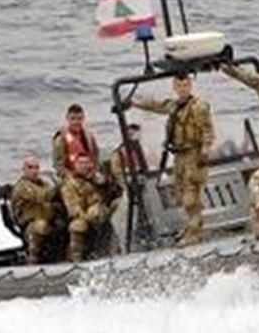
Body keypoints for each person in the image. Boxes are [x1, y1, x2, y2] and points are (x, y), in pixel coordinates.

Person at [127, 72, 215, 247]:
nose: (182, 89)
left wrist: (205, 151)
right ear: (174, 87)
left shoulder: (199, 107)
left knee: (191, 197)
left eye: (185, 85)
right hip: (179, 156)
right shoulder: (174, 106)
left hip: (193, 154)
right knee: (182, 194)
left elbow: (208, 131)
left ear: (190, 86)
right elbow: (155, 105)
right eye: (179, 86)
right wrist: (133, 102)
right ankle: (193, 227)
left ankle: (194, 233)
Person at [61, 155, 112, 263]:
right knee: (78, 226)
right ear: (75, 165)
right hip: (82, 216)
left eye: (86, 163)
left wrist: (102, 182)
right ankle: (76, 258)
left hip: (100, 213)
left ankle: (108, 251)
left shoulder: (96, 180)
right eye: (80, 163)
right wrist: (88, 217)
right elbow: (72, 207)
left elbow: (108, 194)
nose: (84, 166)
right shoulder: (69, 184)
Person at [106, 123, 150, 250]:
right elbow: (117, 174)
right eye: (130, 134)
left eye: (135, 133)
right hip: (128, 188)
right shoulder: (118, 153)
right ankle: (125, 243)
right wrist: (126, 186)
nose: (133, 136)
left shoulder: (145, 149)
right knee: (124, 213)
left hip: (147, 185)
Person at [9, 155, 56, 265]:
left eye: (37, 167)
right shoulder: (22, 187)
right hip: (30, 225)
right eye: (30, 167)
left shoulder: (44, 184)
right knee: (40, 226)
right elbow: (42, 196)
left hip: (48, 221)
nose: (34, 171)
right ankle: (33, 259)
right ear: (24, 170)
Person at [51, 104, 100, 178]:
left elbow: (95, 156)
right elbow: (58, 165)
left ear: (83, 118)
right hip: (70, 176)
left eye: (79, 119)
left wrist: (93, 172)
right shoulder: (60, 139)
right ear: (67, 118)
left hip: (89, 174)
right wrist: (70, 176)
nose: (76, 122)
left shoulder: (89, 136)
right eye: (73, 119)